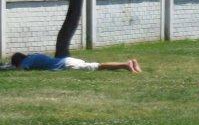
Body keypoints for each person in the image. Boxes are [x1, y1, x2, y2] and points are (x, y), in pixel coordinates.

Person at [8, 52, 140, 72]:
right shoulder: (33, 56)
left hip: (66, 64)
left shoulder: (26, 62)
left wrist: (8, 67)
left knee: (97, 66)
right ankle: (132, 63)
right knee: (95, 65)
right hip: (66, 60)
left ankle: (126, 65)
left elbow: (20, 69)